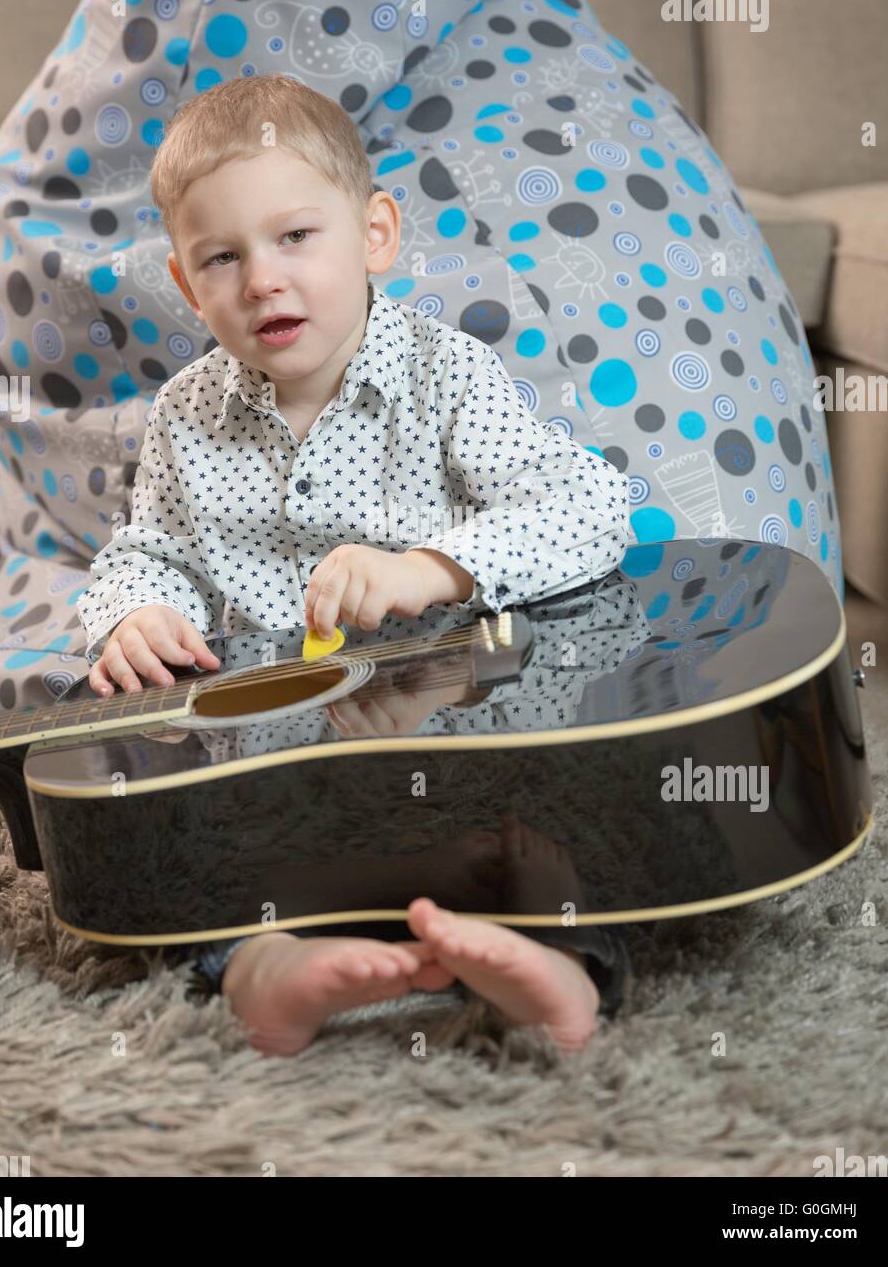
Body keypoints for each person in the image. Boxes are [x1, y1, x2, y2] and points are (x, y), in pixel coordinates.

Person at [75, 72, 632, 1057]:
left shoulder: (446, 376)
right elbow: (148, 547)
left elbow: (589, 510)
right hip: (273, 772)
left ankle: (553, 967)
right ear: (184, 281)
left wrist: (434, 565)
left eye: (295, 237)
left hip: (451, 743)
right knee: (156, 838)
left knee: (558, 819)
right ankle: (264, 970)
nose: (262, 280)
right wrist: (133, 611)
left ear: (373, 234)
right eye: (221, 257)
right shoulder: (184, 414)